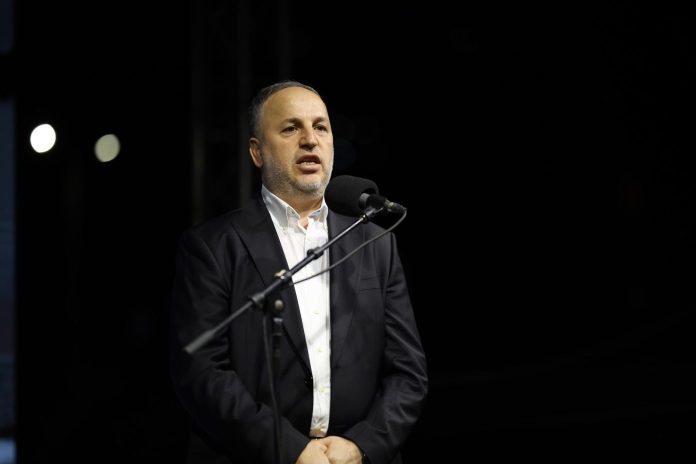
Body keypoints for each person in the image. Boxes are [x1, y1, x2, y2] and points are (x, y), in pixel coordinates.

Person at [169, 81, 428, 464]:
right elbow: (201, 371)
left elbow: (408, 372)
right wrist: (290, 450)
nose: (310, 139)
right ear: (257, 151)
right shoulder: (212, 246)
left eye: (320, 127)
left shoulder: (375, 241)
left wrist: (361, 446)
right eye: (291, 128)